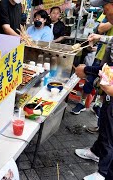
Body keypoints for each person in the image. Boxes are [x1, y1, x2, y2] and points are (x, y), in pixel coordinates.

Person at [74, 0, 113, 179]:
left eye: (106, 6)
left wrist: (88, 70)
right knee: (105, 122)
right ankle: (97, 152)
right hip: (108, 88)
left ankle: (104, 173)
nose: (104, 12)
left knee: (111, 130)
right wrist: (101, 38)